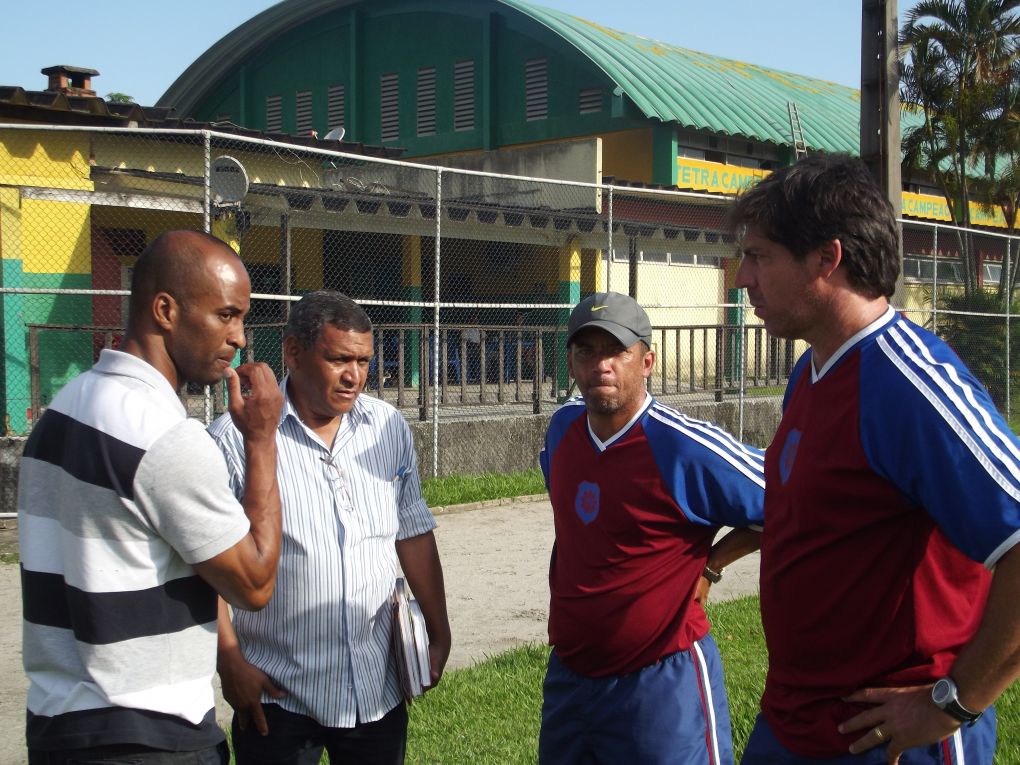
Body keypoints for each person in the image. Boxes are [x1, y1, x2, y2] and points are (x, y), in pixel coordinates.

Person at [730, 154, 1020, 763]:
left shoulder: (909, 385)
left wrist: (953, 703)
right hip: (794, 721)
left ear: (826, 259)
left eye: (759, 256)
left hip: (889, 739)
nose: (741, 277)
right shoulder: (810, 372)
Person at [17, 230, 284, 764]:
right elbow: (253, 581)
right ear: (165, 309)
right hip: (148, 735)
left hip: (60, 729)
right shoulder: (164, 435)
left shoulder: (63, 411)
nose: (240, 338)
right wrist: (261, 441)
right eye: (226, 315)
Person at [209, 290, 451, 765]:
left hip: (375, 686)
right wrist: (230, 660)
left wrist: (439, 633)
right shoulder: (236, 438)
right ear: (293, 351)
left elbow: (413, 533)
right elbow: (211, 561)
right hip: (278, 691)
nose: (354, 376)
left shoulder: (387, 428)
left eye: (363, 361)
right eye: (339, 359)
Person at [538, 291, 765, 765]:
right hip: (570, 679)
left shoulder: (683, 447)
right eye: (587, 351)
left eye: (616, 351)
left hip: (662, 682)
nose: (601, 365)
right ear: (572, 363)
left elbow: (792, 500)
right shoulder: (562, 431)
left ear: (646, 361)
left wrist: (714, 564)